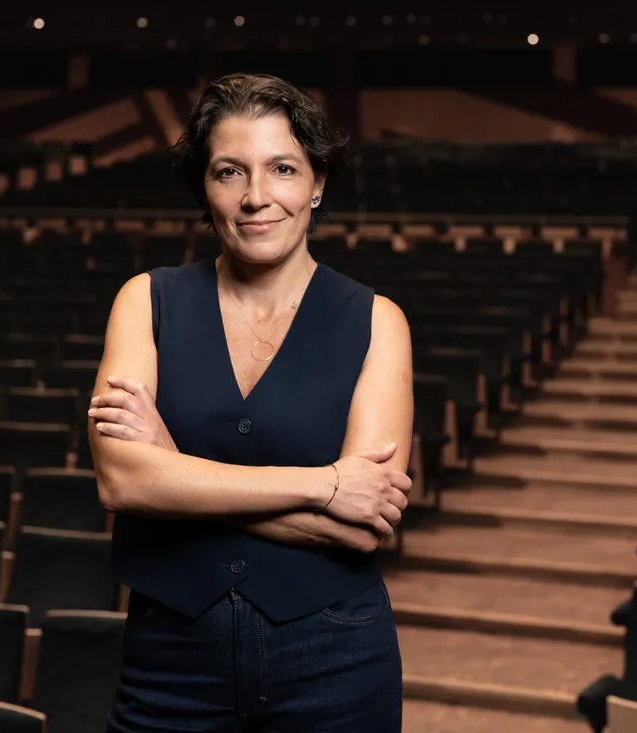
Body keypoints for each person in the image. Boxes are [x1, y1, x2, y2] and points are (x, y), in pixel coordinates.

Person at [87, 73, 412, 732]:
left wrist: (175, 469)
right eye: (229, 171)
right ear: (204, 191)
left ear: (317, 182)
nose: (256, 197)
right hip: (169, 661)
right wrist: (323, 485)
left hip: (337, 661)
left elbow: (366, 522)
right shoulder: (144, 301)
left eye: (282, 169)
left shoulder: (379, 320)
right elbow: (124, 479)